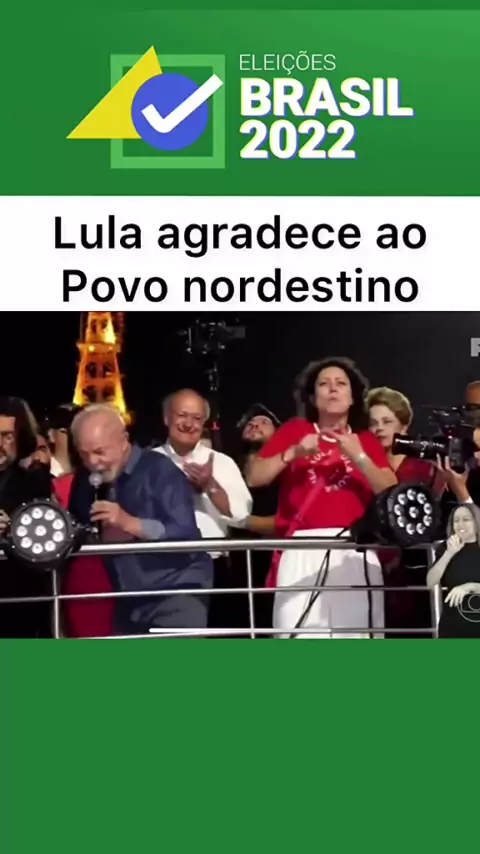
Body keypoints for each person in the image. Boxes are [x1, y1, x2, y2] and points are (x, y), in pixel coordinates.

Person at [246, 357, 396, 638]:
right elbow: (255, 477)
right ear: (313, 398)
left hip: (355, 550)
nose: (333, 388)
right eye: (324, 384)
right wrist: (294, 452)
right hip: (302, 548)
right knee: (298, 636)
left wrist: (359, 457)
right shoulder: (295, 430)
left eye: (341, 383)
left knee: (357, 638)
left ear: (353, 397)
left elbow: (391, 491)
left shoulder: (365, 440)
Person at [68, 403, 213, 636]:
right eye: (84, 454)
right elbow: (78, 526)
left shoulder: (159, 470)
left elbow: (184, 533)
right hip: (128, 601)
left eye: (100, 451)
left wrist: (131, 523)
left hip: (175, 594)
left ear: (123, 440)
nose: (93, 462)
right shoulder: (86, 481)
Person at [155, 389, 252, 634]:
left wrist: (210, 486)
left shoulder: (221, 462)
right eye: (182, 415)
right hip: (161, 567)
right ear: (166, 418)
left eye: (197, 418)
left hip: (214, 567)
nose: (189, 424)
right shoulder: (148, 463)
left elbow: (241, 515)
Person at [367, 386, 444, 637]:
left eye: (387, 421)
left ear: (404, 426)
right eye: (373, 423)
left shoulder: (425, 468)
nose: (379, 428)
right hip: (370, 566)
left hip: (414, 568)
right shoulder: (362, 467)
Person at [427, 503, 480, 637]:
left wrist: (469, 587)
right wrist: (449, 553)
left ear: (476, 522)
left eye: (466, 519)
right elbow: (430, 582)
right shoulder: (445, 548)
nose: (460, 524)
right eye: (456, 520)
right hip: (453, 626)